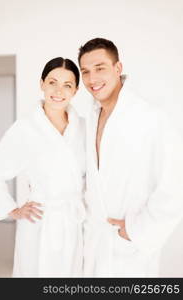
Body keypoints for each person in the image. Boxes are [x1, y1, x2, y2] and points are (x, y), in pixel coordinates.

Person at [78, 38, 183, 277]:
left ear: (118, 68)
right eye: (85, 72)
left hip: (129, 248)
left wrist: (137, 231)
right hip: (94, 244)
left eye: (100, 68)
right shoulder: (92, 117)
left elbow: (176, 184)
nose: (92, 79)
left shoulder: (150, 117)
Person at [0, 57, 86, 277]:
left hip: (74, 221)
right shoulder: (25, 129)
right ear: (42, 84)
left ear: (75, 90)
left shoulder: (83, 127)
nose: (58, 91)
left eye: (67, 85)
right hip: (40, 221)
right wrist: (12, 209)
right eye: (52, 82)